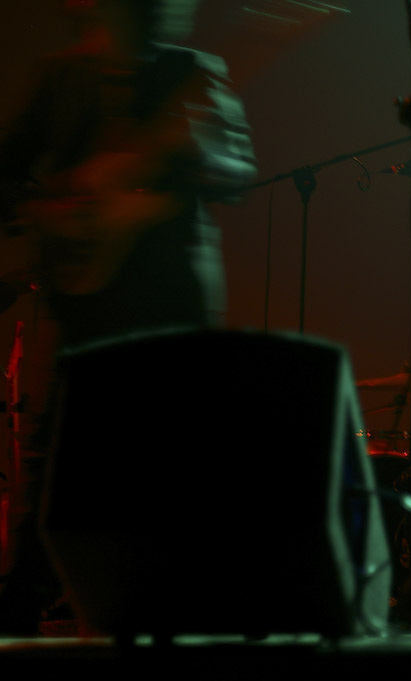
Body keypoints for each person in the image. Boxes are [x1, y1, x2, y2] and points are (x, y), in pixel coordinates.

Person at [0, 0, 257, 634]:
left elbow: (238, 170)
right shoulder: (61, 77)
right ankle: (21, 609)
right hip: (86, 299)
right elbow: (7, 173)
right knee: (59, 457)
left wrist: (198, 159)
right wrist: (55, 209)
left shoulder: (194, 70)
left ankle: (180, 609)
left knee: (178, 460)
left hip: (172, 296)